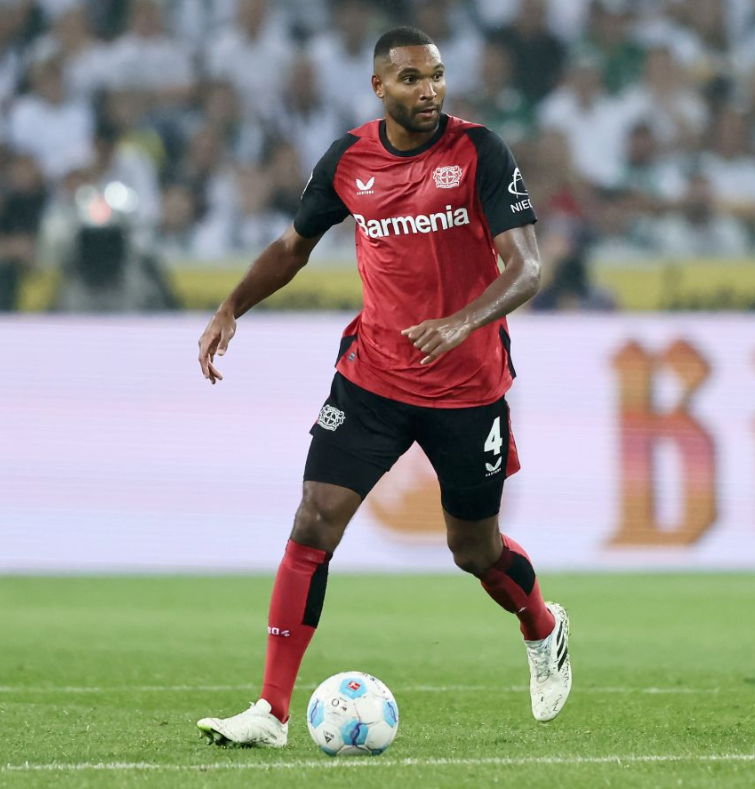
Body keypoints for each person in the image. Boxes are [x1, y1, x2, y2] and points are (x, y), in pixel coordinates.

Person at [194, 26, 571, 748]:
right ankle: (271, 710)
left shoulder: (481, 151)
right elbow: (293, 246)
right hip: (373, 378)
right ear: (379, 87)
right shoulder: (348, 159)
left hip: (467, 386)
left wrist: (461, 322)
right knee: (314, 520)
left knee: (474, 549)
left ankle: (542, 626)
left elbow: (527, 268)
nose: (429, 90)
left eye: (436, 76)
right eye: (411, 78)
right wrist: (231, 306)